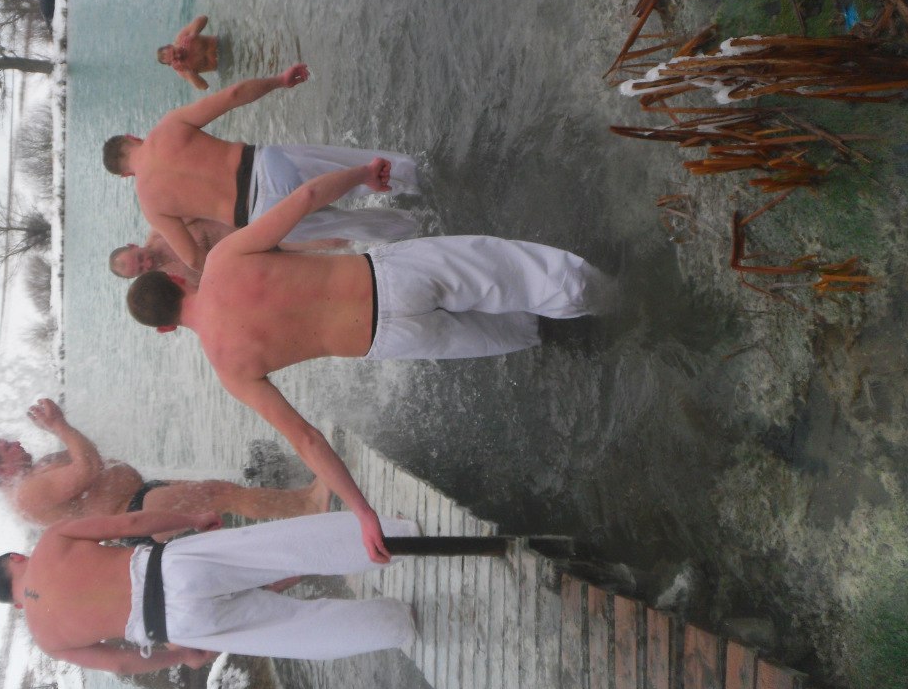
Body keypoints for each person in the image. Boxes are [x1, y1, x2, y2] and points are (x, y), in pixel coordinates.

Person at [125, 159, 607, 561]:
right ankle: (610, 297)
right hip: (388, 277)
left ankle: (579, 332)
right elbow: (306, 197)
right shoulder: (224, 260)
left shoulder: (229, 368)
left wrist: (363, 513)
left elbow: (308, 440)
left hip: (390, 338)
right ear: (176, 280)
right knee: (516, 272)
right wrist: (361, 174)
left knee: (515, 332)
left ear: (166, 329)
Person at [0, 508, 421, 670]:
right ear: (15, 559)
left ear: (16, 605)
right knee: (287, 549)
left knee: (297, 630)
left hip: (174, 625)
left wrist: (181, 656)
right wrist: (190, 519)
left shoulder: (48, 641)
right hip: (172, 569)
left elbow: (118, 662)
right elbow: (129, 523)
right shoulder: (50, 543)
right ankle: (400, 538)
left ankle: (396, 624)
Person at [102, 63, 419, 271]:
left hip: (265, 216)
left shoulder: (151, 206)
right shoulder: (167, 128)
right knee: (370, 169)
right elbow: (233, 95)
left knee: (360, 227)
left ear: (125, 175)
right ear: (132, 138)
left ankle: (421, 231)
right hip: (268, 166)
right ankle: (422, 176)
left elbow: (195, 259)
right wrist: (278, 81)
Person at [0, 398, 330, 528]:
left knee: (224, 494)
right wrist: (60, 427)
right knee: (224, 495)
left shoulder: (33, 476)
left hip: (138, 500)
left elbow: (85, 461)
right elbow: (88, 468)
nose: (17, 442)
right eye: (8, 447)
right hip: (132, 512)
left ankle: (303, 504)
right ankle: (308, 505)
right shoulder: (26, 495)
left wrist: (60, 429)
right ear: (1, 469)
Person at [109, 220, 351, 287]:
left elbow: (204, 198)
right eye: (141, 270)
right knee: (333, 273)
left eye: (140, 258)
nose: (147, 263)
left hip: (260, 227)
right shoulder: (169, 283)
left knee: (333, 239)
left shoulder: (164, 227)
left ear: (133, 245)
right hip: (261, 268)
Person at [157, 15, 218, 91]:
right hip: (224, 64)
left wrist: (193, 34)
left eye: (174, 52)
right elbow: (205, 86)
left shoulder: (182, 37)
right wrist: (188, 70)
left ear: (170, 46)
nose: (178, 55)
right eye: (175, 59)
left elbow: (204, 18)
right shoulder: (182, 70)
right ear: (170, 64)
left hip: (223, 43)